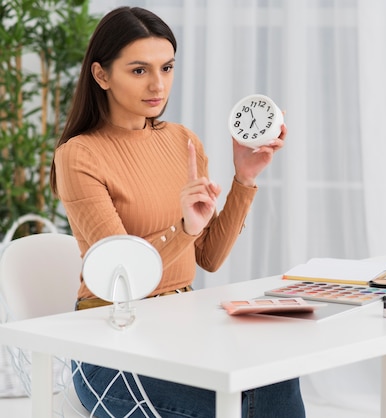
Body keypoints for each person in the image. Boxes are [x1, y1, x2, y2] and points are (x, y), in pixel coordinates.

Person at [49, 6, 305, 418]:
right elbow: (122, 280)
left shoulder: (182, 140)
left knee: (276, 374)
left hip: (179, 326)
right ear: (101, 75)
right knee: (235, 404)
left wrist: (244, 177)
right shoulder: (79, 155)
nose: (158, 84)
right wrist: (183, 228)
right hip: (111, 347)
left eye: (166, 67)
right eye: (139, 70)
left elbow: (210, 258)